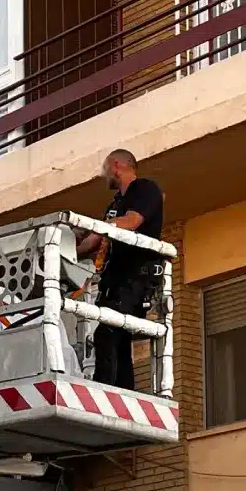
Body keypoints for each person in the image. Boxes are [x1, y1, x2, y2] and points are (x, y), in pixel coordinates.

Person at [76, 149, 163, 390]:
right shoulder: (115, 205)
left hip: (135, 278)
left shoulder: (145, 189)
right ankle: (124, 392)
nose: (103, 176)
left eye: (105, 169)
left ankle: (104, 392)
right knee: (118, 340)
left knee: (107, 335)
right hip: (114, 282)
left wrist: (97, 227)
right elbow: (93, 242)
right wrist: (65, 246)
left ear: (116, 165)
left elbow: (131, 222)